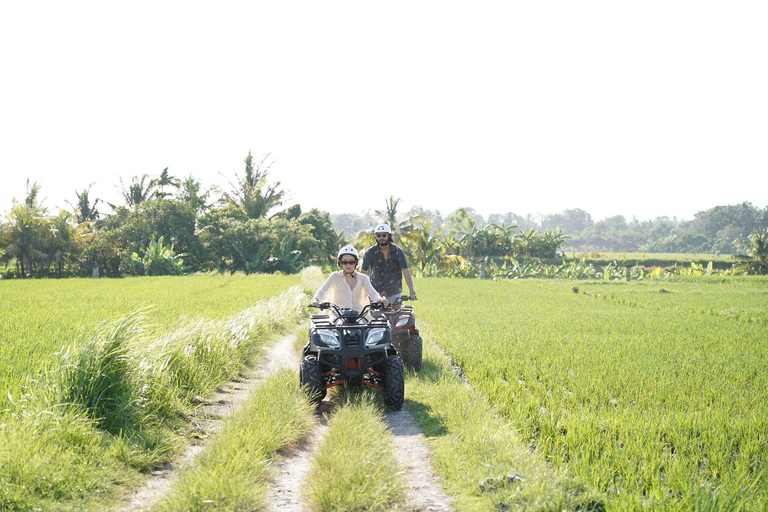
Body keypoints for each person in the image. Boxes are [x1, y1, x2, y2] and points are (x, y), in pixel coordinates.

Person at [310, 246, 387, 312]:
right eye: (344, 262)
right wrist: (315, 300)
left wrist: (380, 300)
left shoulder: (363, 278)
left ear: (356, 263)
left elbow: (373, 294)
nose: (348, 265)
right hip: (338, 317)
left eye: (351, 262)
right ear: (340, 263)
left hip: (360, 316)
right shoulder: (334, 276)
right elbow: (322, 291)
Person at [361, 224, 416, 303]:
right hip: (375, 289)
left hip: (393, 288)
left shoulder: (398, 252)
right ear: (376, 237)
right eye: (378, 235)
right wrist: (359, 291)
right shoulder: (370, 252)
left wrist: (412, 292)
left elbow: (406, 271)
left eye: (384, 235)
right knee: (371, 312)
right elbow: (363, 273)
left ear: (389, 236)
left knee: (398, 309)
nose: (381, 238)